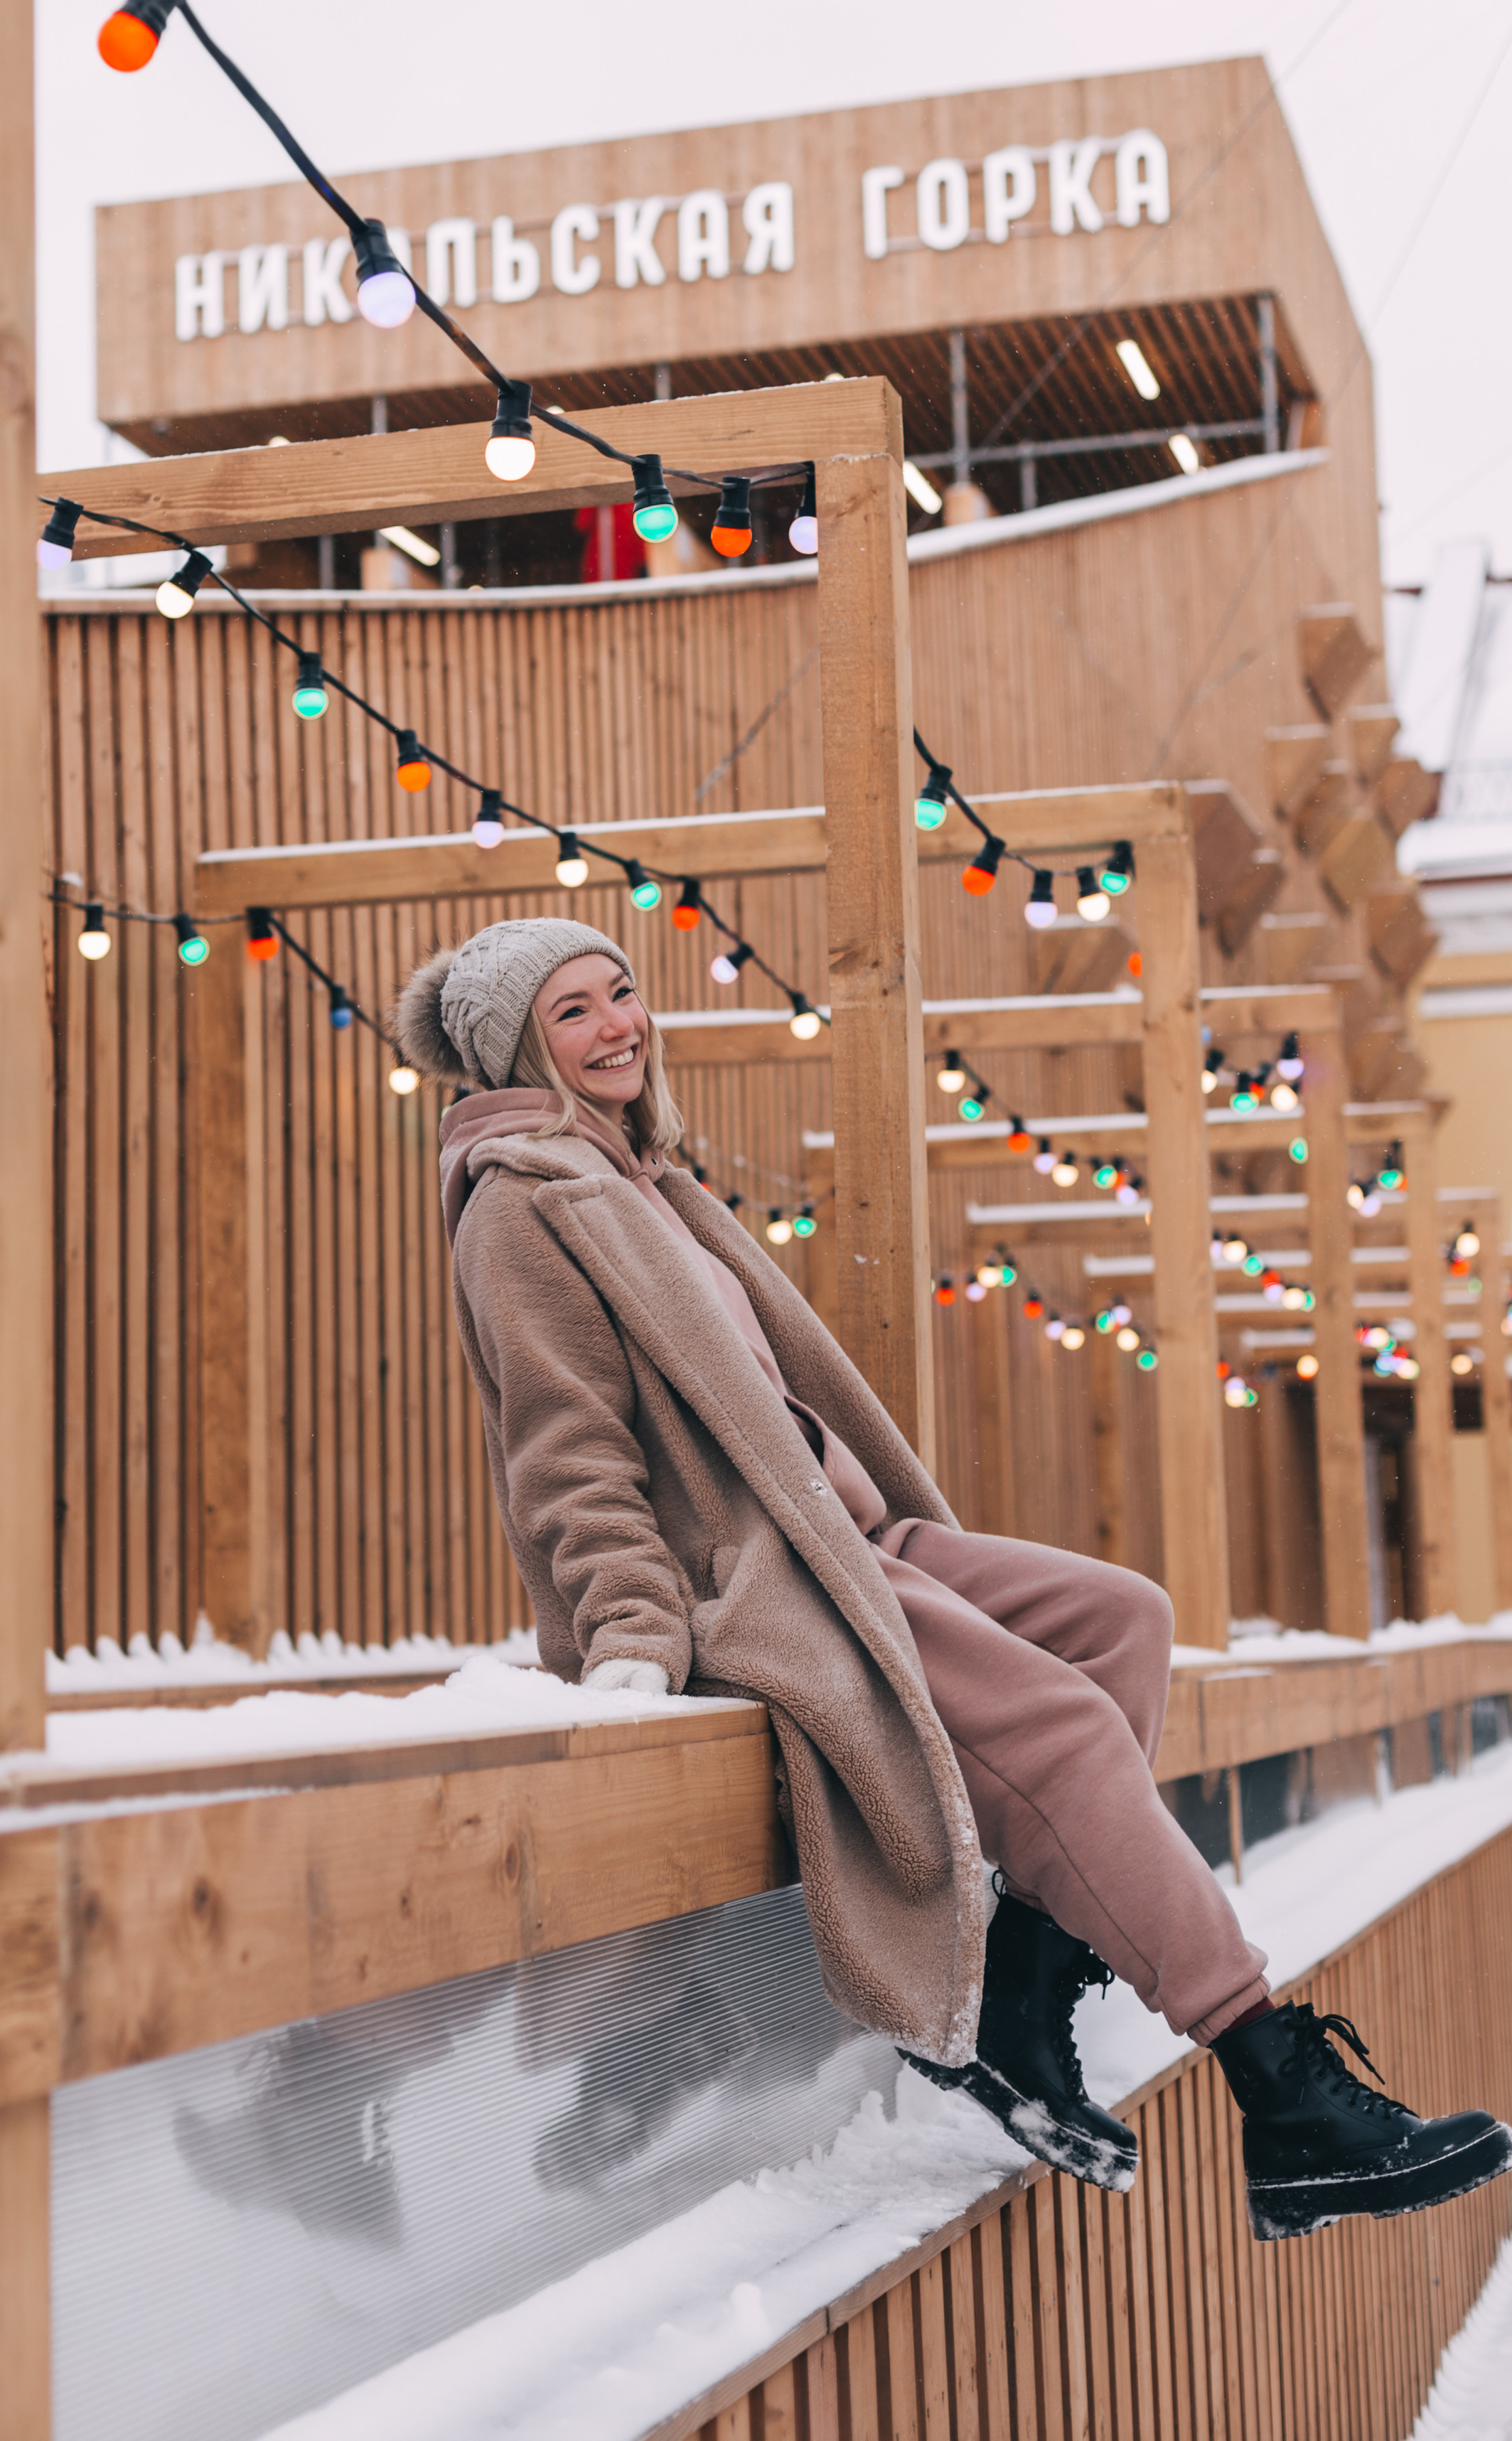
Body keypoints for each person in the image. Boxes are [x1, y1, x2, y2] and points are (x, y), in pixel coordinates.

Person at [394, 916, 1512, 2241]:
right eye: (572, 1014)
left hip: (854, 1541)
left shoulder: (648, 1182)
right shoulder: (523, 1205)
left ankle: (1024, 1986)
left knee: (1123, 1620)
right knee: (1067, 1729)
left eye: (622, 992)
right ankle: (1279, 2087)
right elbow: (564, 1446)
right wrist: (630, 1623)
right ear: (519, 1049)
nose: (617, 1025)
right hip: (763, 1577)